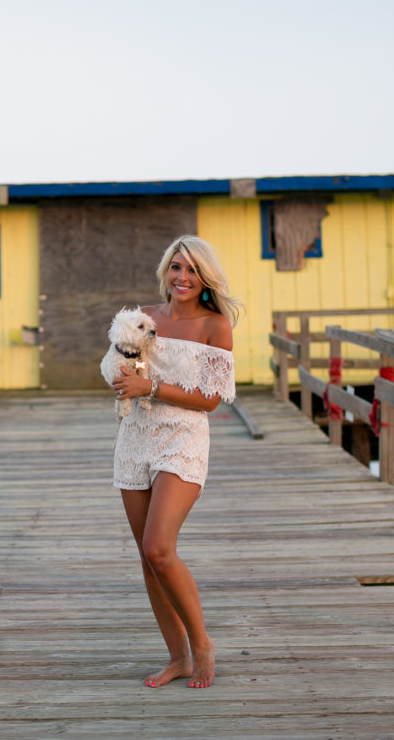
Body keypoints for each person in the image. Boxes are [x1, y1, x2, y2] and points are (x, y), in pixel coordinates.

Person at [108, 235, 241, 689]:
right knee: (148, 559)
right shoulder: (143, 317)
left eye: (192, 270)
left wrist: (150, 388)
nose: (182, 277)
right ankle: (178, 657)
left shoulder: (215, 325)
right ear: (166, 271)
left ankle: (201, 644)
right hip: (134, 438)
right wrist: (120, 377)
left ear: (205, 279)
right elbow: (118, 366)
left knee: (158, 548)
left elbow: (210, 399)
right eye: (176, 267)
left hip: (182, 440)